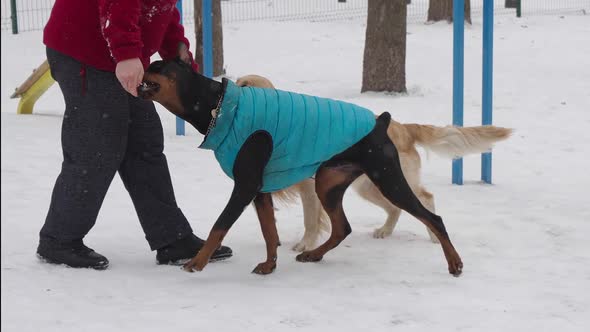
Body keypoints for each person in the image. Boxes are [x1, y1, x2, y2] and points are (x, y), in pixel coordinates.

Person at [37, 0, 232, 269]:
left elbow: (161, 9)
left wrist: (179, 58)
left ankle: (171, 238)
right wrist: (127, 53)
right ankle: (59, 239)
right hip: (85, 48)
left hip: (120, 52)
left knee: (145, 142)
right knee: (96, 146)